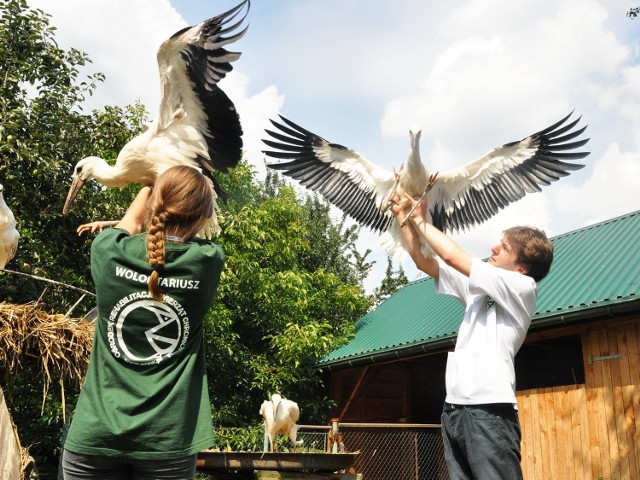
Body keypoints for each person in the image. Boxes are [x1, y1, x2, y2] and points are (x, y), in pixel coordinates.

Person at [62, 165, 225, 480]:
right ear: (204, 216)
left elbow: (132, 223)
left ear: (156, 204)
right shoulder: (206, 262)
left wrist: (149, 183)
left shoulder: (108, 250)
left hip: (94, 436)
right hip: (167, 442)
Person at [391, 193, 554, 480]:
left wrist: (420, 218)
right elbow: (422, 261)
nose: (493, 247)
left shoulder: (522, 287)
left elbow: (452, 256)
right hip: (454, 410)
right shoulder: (478, 291)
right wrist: (402, 217)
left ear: (521, 266)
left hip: (489, 411)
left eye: (503, 247)